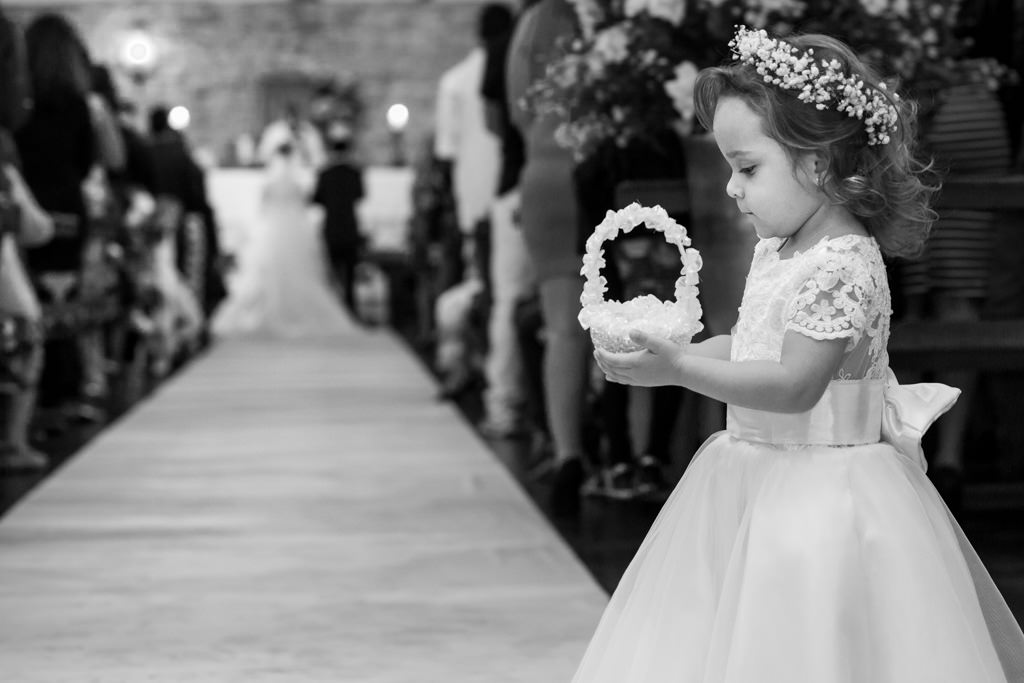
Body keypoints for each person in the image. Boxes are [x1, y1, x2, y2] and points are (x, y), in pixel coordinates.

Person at [578, 27, 1024, 681]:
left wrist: (680, 371)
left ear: (819, 163)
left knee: (811, 641)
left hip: (822, 494)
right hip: (751, 473)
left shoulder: (842, 261)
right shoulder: (778, 249)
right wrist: (676, 352)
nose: (731, 188)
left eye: (747, 168)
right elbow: (751, 346)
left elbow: (795, 384)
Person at [506, 0, 589, 515]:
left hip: (545, 169)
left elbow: (518, 113)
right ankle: (633, 456)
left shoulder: (533, 25)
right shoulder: (606, 17)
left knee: (562, 328)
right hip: (597, 166)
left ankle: (568, 454)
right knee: (632, 316)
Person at [211, 142, 354, 338]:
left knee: (268, 273)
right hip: (294, 233)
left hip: (273, 232)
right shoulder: (295, 185)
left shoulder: (270, 185)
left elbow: (263, 210)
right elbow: (303, 209)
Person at [311, 123, 364, 318]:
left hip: (332, 229)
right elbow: (360, 195)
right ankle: (350, 310)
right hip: (350, 228)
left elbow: (316, 198)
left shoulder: (325, 173)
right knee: (350, 275)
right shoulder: (354, 172)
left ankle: (332, 311)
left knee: (331, 273)